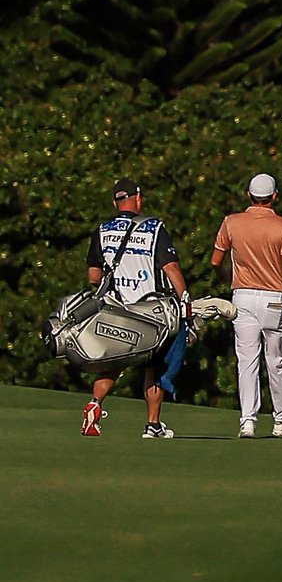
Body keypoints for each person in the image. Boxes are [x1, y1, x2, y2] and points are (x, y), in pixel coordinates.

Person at [82, 177, 189, 439]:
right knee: (154, 364)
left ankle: (94, 405)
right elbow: (171, 267)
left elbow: (94, 277)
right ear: (138, 199)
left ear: (115, 202)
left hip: (116, 308)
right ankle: (153, 425)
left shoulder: (103, 229)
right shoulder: (154, 227)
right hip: (148, 309)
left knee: (114, 362)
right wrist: (184, 297)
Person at [211, 173, 282, 438]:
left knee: (246, 361)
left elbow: (216, 260)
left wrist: (227, 280)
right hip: (274, 298)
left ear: (248, 195)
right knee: (276, 361)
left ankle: (248, 420)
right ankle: (281, 419)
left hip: (242, 297)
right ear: (274, 196)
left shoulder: (231, 222)